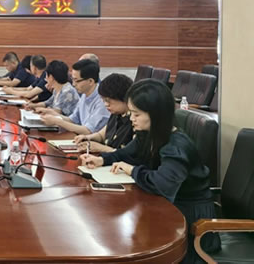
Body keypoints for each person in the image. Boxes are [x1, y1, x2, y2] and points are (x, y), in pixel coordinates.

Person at [80, 79, 220, 263]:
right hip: (166, 207)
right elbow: (127, 153)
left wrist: (132, 170)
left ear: (156, 114)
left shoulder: (177, 147)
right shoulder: (148, 134)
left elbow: (162, 185)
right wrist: (102, 159)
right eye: (131, 112)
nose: (131, 119)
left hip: (190, 221)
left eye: (137, 114)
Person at [37, 59, 109, 134]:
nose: (73, 84)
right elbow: (72, 120)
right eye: (72, 79)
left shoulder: (102, 100)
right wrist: (53, 113)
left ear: (90, 81)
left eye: (76, 80)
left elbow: (88, 131)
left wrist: (58, 121)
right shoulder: (84, 95)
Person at [73, 73, 134, 153]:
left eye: (108, 101)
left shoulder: (135, 120)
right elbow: (101, 135)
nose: (106, 104)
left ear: (123, 97)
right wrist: (88, 138)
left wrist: (101, 148)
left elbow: (129, 155)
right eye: (103, 100)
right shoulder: (116, 114)